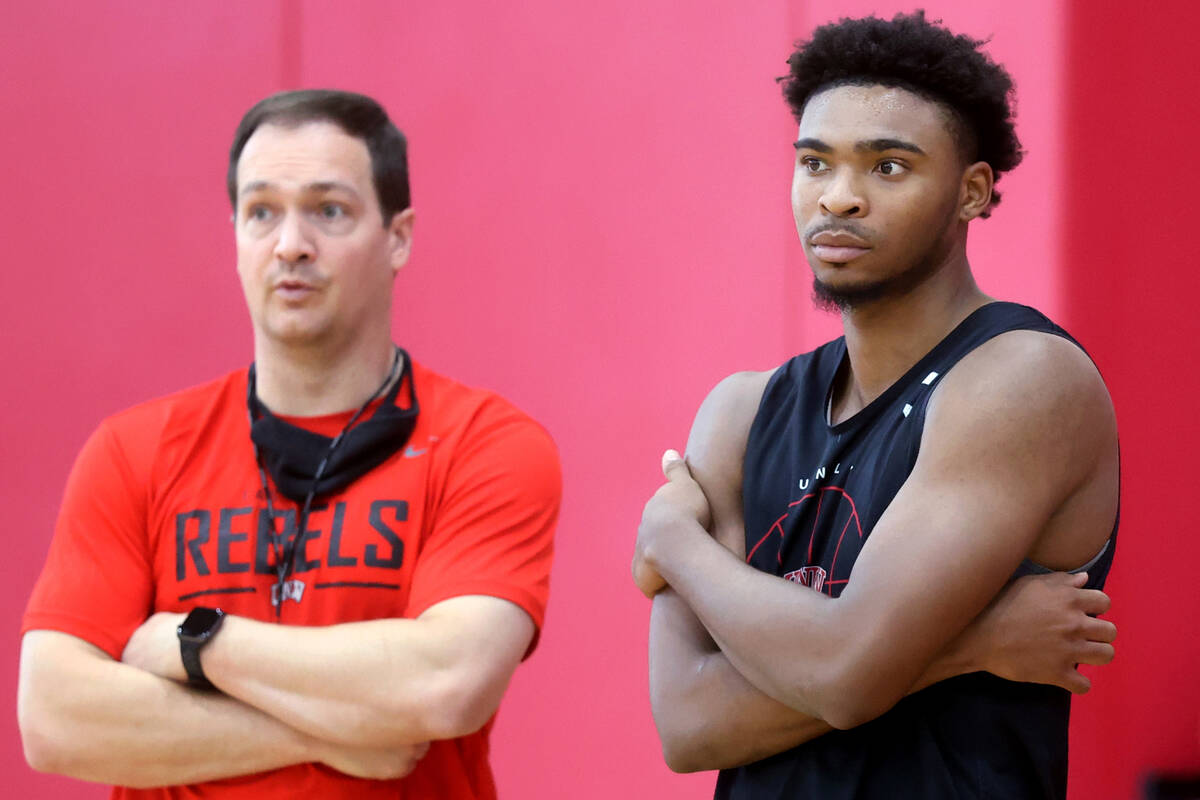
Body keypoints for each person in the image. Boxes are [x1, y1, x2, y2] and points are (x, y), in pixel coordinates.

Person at [18, 89, 560, 800]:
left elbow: (445, 684)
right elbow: (55, 719)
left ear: (399, 237)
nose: (290, 244)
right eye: (262, 211)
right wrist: (336, 730)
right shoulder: (133, 452)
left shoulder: (487, 445)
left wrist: (195, 643)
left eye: (328, 211)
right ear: (236, 235)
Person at [632, 12, 1119, 799]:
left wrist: (673, 541)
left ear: (972, 191)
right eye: (815, 164)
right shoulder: (741, 412)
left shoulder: (1023, 382)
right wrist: (971, 645)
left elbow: (845, 672)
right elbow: (688, 725)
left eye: (888, 168)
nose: (841, 198)